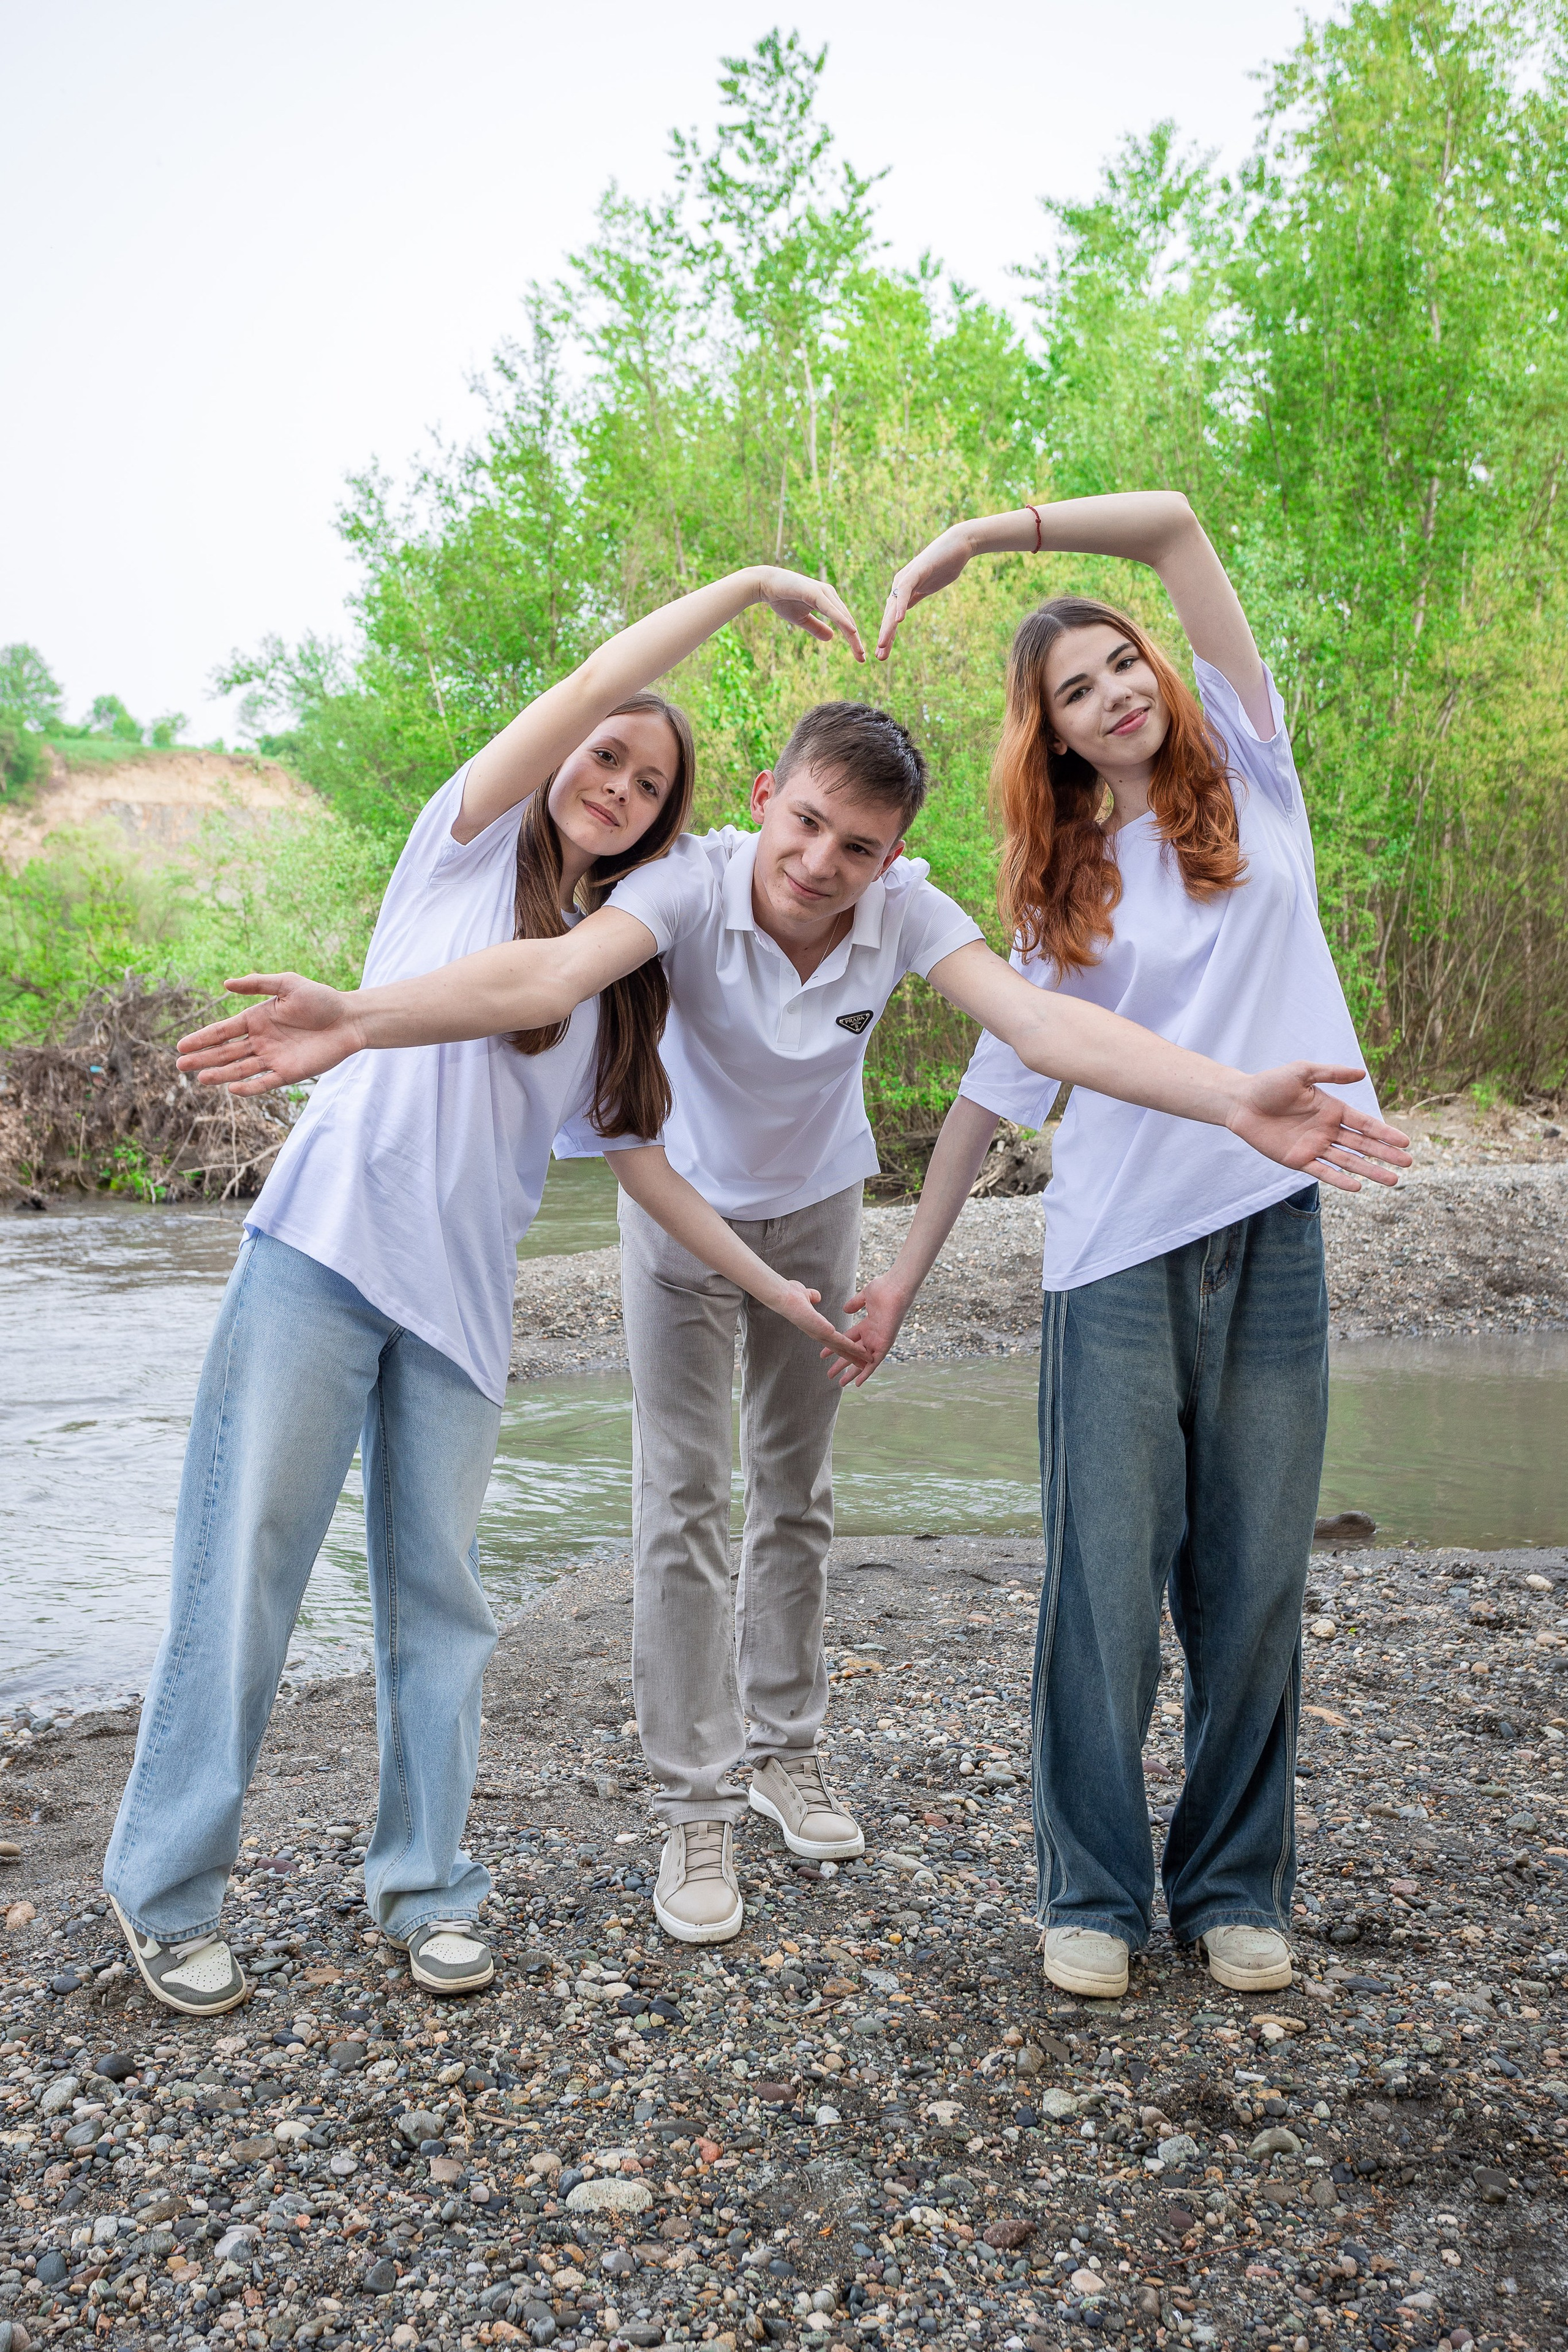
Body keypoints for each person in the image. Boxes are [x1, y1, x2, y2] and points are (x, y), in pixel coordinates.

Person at [180, 575, 1409, 1953]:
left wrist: (1231, 1097)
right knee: (681, 1505)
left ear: (894, 856)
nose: (820, 861)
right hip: (674, 1213)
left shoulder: (909, 912)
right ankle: (692, 1806)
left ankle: (784, 1754)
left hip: (814, 1206)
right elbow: (544, 988)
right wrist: (354, 1017)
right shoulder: (680, 884)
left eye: (857, 844)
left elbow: (1043, 1037)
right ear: (763, 796)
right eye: (806, 823)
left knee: (797, 1498)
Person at [102, 565, 880, 2016]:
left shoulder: (603, 975)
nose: (619, 783)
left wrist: (772, 1285)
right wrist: (745, 589)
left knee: (440, 1604)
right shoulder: (454, 852)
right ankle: (168, 1890)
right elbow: (594, 683)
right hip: (321, 1259)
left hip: (460, 1309)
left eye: (649, 783)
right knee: (247, 1569)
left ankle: (424, 1884)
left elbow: (644, 1170)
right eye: (606, 758)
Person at [853, 488, 1388, 1999]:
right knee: (1101, 1587)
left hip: (1270, 1229)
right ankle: (1088, 1893)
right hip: (1110, 1259)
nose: (1114, 693)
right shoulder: (1060, 886)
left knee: (1255, 1579)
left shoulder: (1258, 779)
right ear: (1060, 739)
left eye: (1119, 665)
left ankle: (1229, 1886)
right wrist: (906, 1269)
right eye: (1076, 692)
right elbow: (994, 1090)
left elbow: (1168, 525)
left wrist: (977, 540)